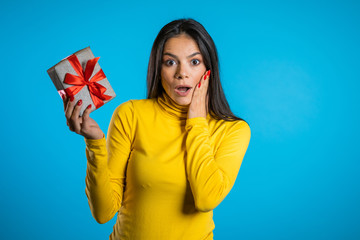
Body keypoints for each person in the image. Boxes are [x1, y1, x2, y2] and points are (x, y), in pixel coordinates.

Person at [63, 18, 251, 240]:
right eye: (170, 62)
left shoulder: (233, 130)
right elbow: (103, 213)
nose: (182, 73)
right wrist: (94, 143)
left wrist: (197, 122)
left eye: (194, 62)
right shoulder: (131, 114)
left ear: (209, 70)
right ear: (158, 69)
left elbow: (206, 199)